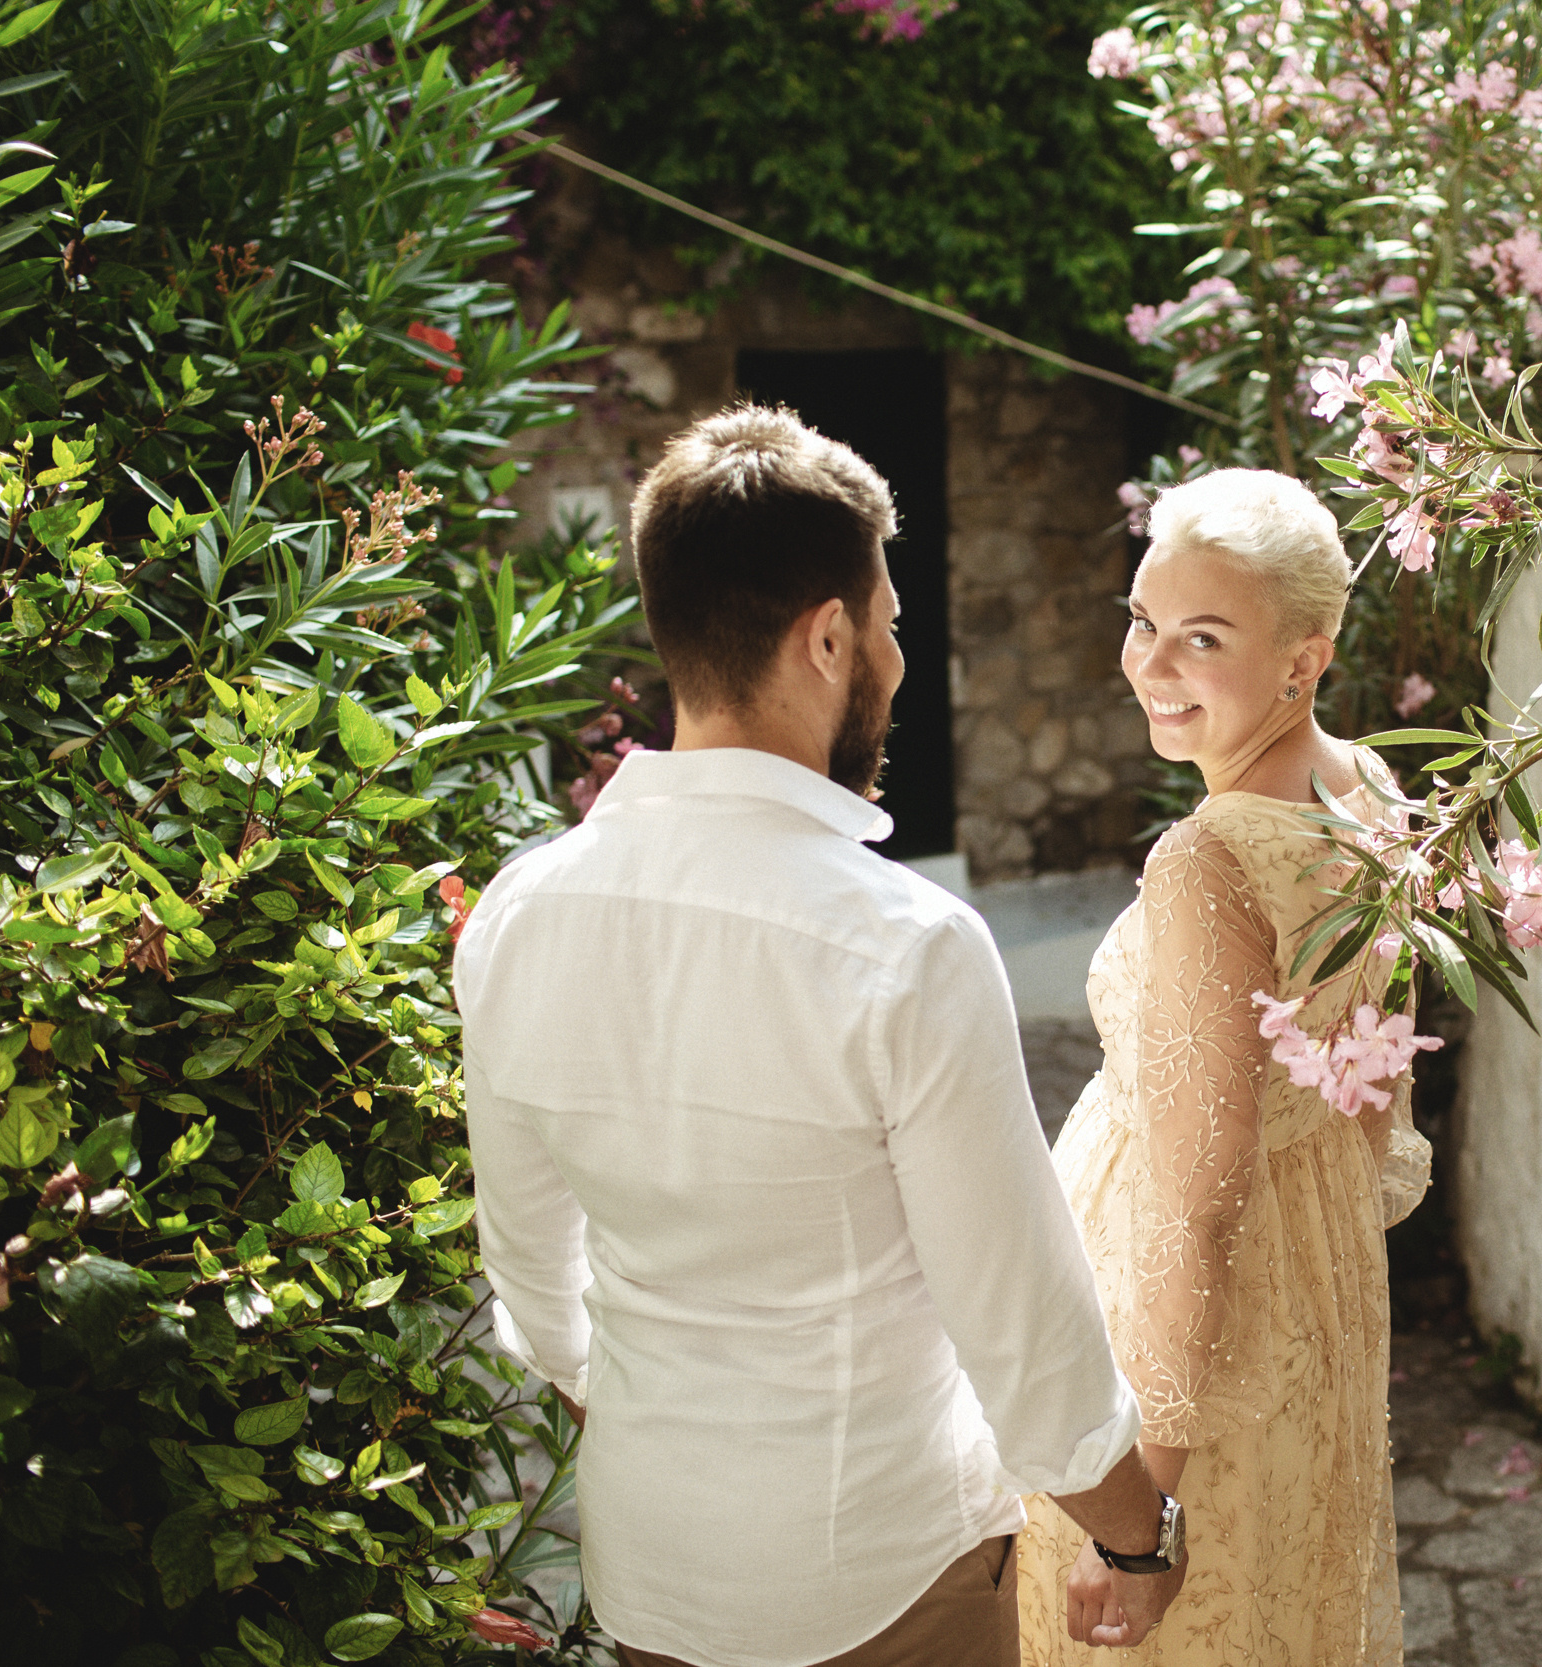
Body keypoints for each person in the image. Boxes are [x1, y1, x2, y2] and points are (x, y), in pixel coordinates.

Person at [455, 405, 1188, 1667]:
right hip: (886, 1581)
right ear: (830, 636)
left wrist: (656, 1413)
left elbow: (531, 1276)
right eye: (890, 628)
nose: (896, 663)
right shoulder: (906, 946)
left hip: (650, 1574)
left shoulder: (518, 913)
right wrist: (1139, 1533)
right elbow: (1016, 1321)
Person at [1015, 470, 1433, 1666]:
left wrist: (1140, 1516)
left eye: (1203, 638)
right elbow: (1369, 1091)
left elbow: (1197, 1209)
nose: (1152, 664)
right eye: (1144, 621)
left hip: (1192, 1347)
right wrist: (1325, 1267)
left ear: (1302, 660)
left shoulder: (1205, 859)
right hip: (1312, 1285)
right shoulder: (1372, 789)